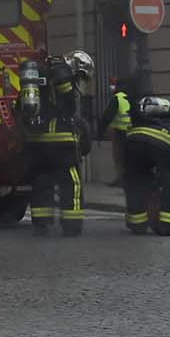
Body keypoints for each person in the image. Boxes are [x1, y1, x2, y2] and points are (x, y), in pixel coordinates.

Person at [28, 50, 93, 236]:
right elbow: (68, 104)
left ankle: (41, 224)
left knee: (42, 181)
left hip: (37, 141)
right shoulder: (62, 73)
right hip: (61, 141)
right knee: (71, 182)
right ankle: (72, 226)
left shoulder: (42, 74)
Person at [122, 97, 170, 236]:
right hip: (161, 142)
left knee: (136, 180)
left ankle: (137, 223)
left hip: (132, 139)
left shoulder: (149, 122)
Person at [98, 80, 133, 186]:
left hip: (121, 132)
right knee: (130, 157)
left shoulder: (117, 98)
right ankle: (128, 179)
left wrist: (100, 132)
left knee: (119, 157)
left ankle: (121, 179)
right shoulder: (131, 97)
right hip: (133, 132)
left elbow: (107, 117)